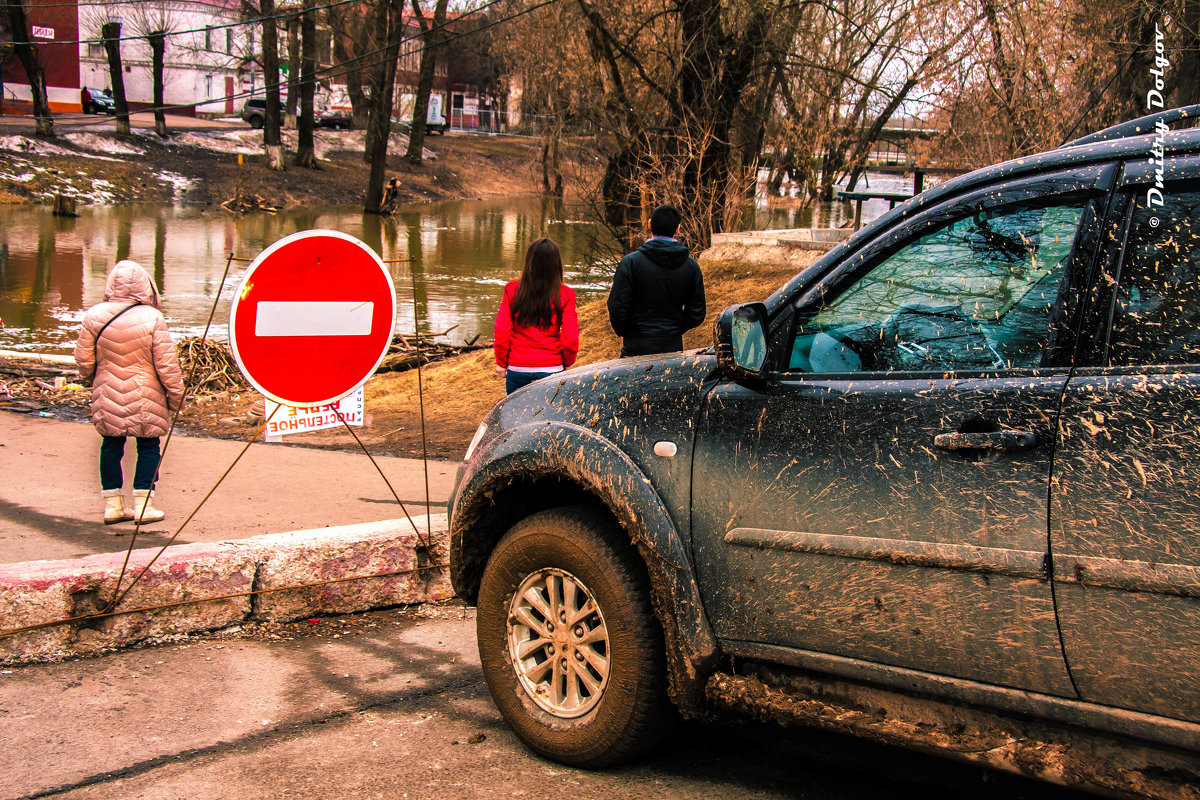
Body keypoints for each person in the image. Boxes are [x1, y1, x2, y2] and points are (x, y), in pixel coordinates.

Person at [74, 260, 184, 527]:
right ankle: (143, 507)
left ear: (111, 283)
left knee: (111, 444)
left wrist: (94, 379)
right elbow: (166, 365)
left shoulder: (94, 315)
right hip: (147, 394)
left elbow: (83, 359)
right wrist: (176, 397)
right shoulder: (152, 317)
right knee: (148, 446)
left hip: (107, 390)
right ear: (145, 285)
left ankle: (113, 506)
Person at [607, 203, 706, 357]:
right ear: (678, 229)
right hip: (672, 348)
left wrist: (628, 331)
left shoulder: (631, 263)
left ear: (650, 224)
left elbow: (617, 306)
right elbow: (697, 312)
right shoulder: (691, 266)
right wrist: (674, 328)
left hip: (635, 348)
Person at [494, 237, 579, 395]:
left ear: (529, 261)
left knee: (517, 417)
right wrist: (568, 362)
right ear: (556, 263)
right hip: (551, 368)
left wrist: (501, 362)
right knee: (549, 416)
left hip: (517, 367)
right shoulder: (566, 293)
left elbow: (502, 330)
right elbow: (571, 337)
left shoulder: (512, 289)